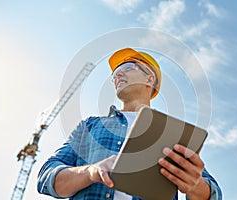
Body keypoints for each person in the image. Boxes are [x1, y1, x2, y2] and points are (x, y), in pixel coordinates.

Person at [37, 47, 222, 200]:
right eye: (115, 74)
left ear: (150, 79)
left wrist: (195, 185)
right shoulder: (90, 126)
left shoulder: (172, 134)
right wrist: (90, 172)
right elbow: (46, 176)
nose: (117, 76)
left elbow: (212, 194)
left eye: (127, 68)